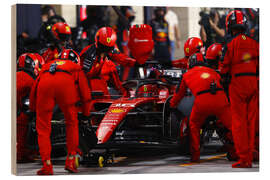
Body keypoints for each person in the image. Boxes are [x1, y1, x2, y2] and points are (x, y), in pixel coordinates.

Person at [29, 49, 91, 175]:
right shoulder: (75, 67)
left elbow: (35, 87)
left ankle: (47, 165)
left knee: (43, 128)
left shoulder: (48, 64)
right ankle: (71, 161)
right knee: (71, 122)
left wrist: (33, 109)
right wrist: (86, 114)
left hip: (45, 84)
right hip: (65, 84)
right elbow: (86, 96)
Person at [170, 53, 232, 162]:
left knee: (194, 125)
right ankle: (241, 151)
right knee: (233, 127)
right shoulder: (214, 72)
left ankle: (195, 156)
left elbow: (178, 94)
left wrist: (172, 105)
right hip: (221, 100)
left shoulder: (187, 74)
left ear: (191, 63)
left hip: (202, 102)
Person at [219, 10, 259, 168]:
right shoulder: (255, 43)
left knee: (239, 123)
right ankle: (251, 152)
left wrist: (223, 79)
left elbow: (224, 67)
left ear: (229, 25)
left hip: (238, 84)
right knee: (252, 122)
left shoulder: (230, 44)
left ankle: (245, 159)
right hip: (254, 82)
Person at [17, 53, 45, 163]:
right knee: (25, 118)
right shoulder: (30, 80)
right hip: (18, 116)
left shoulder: (17, 74)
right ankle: (21, 153)